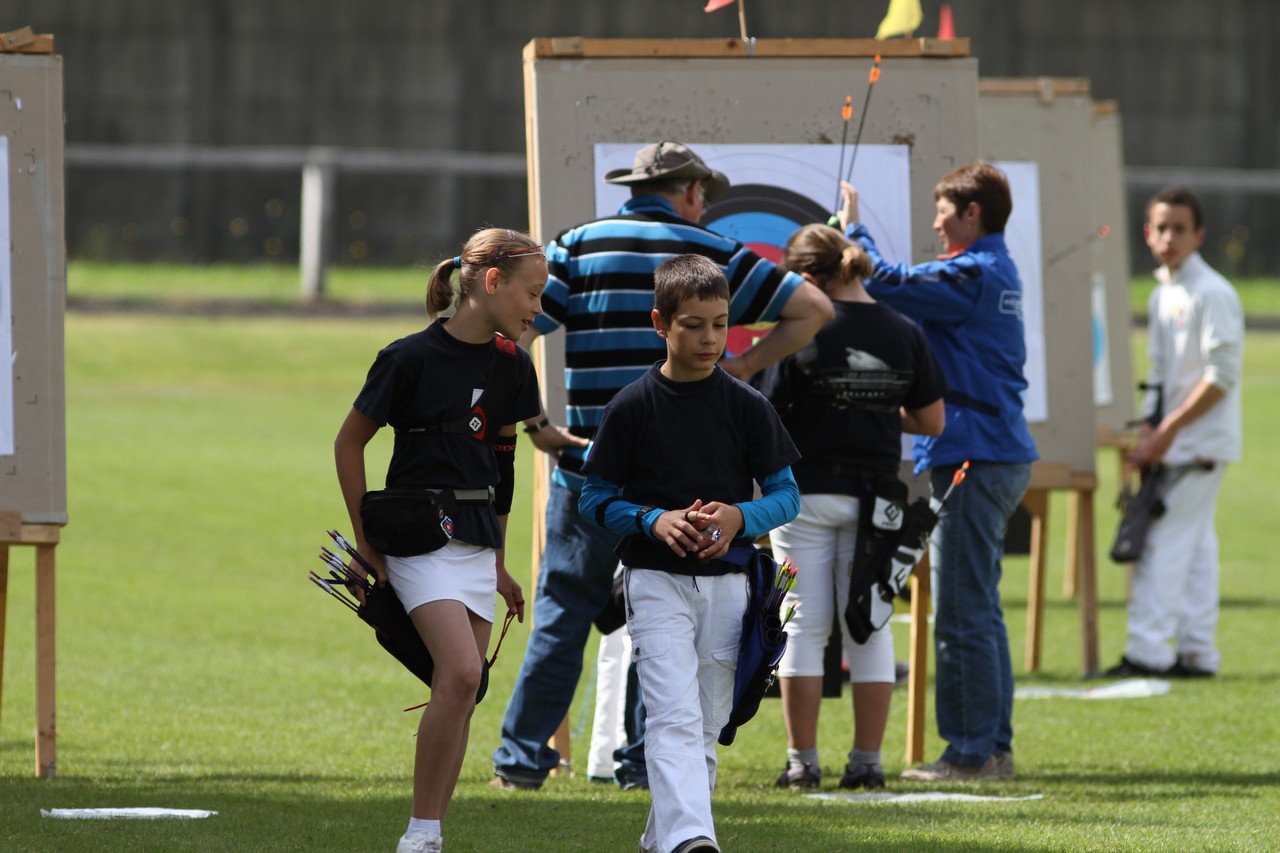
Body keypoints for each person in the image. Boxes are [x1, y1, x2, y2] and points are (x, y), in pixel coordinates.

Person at [492, 141, 832, 791]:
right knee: (668, 627)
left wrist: (535, 423)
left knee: (564, 616)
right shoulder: (711, 254)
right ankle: (645, 764)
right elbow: (813, 309)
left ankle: (520, 760)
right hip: (685, 489)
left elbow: (514, 336)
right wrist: (741, 367)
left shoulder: (578, 245)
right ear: (694, 192)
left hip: (589, 472)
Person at [578, 254, 802, 853]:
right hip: (653, 581)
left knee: (704, 726)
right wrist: (653, 520)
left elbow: (787, 496)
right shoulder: (630, 406)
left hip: (734, 584)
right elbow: (593, 499)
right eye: (693, 325)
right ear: (660, 323)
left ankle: (666, 841)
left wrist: (739, 517)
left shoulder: (747, 405)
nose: (709, 338)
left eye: (720, 324)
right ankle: (695, 840)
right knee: (673, 717)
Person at [333, 228, 544, 853]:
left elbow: (502, 467)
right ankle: (418, 835)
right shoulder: (407, 357)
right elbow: (348, 443)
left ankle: (432, 834)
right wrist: (365, 540)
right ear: (491, 282)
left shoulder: (514, 363)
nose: (538, 307)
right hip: (417, 539)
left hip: (478, 544)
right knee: (458, 673)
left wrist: (501, 561)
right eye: (532, 293)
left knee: (463, 691)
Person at [845, 164, 1038, 782]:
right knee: (978, 607)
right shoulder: (990, 270)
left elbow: (893, 284)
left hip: (975, 458)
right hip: (989, 454)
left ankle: (971, 753)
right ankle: (991, 747)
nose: (935, 222)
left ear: (973, 213)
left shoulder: (974, 272)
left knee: (959, 611)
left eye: (945, 212)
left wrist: (855, 235)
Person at [756, 212, 947, 790]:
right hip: (878, 502)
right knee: (870, 626)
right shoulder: (904, 330)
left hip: (804, 496)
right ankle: (867, 764)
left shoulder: (803, 328)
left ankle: (802, 762)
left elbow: (766, 413)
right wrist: (880, 407)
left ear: (808, 277)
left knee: (801, 627)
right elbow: (932, 421)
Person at [1102, 187, 1243, 679]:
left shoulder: (1213, 292)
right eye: (1161, 228)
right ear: (1147, 233)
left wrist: (1166, 432)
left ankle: (1146, 651)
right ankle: (1198, 652)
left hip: (1200, 444)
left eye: (1179, 228)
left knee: (1164, 543)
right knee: (1197, 547)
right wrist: (1148, 430)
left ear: (1198, 235)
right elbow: (1160, 373)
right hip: (1174, 442)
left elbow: (1220, 376)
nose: (1169, 238)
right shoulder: (1166, 291)